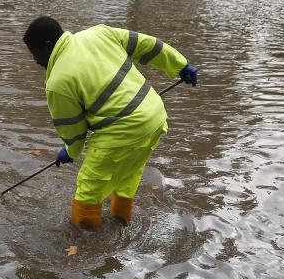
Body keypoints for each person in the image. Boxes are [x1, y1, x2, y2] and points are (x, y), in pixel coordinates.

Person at [23, 16, 198, 227]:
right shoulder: (99, 32)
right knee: (128, 174)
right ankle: (120, 223)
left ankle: (83, 242)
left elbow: (73, 129)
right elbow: (149, 45)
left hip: (124, 129)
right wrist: (180, 66)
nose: (35, 60)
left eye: (35, 53)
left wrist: (70, 151)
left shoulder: (57, 82)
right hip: (155, 116)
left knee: (89, 187)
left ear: (49, 45)